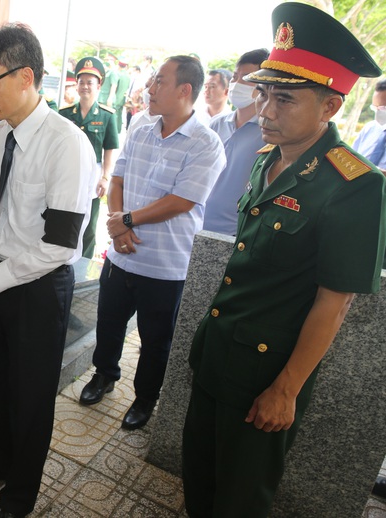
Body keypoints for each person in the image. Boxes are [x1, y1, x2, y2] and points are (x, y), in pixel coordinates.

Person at [181, 4, 385, 517]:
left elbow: (333, 303)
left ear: (331, 107)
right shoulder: (267, 158)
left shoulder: (354, 186)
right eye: (265, 93)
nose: (266, 110)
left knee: (239, 499)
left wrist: (285, 389)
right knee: (199, 479)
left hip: (266, 375)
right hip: (218, 352)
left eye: (284, 99)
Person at [0, 24, 96, 518]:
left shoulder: (67, 145)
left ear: (26, 77)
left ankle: (20, 497)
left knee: (31, 396)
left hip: (37, 287)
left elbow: (60, 246)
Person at [78, 56, 225, 432]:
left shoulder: (206, 144)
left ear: (184, 90)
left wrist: (125, 220)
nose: (150, 88)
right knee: (108, 322)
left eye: (159, 81)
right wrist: (118, 225)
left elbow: (182, 201)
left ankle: (145, 398)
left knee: (155, 340)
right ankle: (104, 375)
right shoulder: (141, 127)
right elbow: (118, 180)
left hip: (165, 265)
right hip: (122, 255)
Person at [203, 49, 269, 236]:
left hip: (234, 231)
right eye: (234, 77)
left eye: (247, 78)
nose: (237, 84)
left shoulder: (267, 134)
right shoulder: (217, 123)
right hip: (197, 221)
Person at [59, 57, 119, 259]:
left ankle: (83, 262)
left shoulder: (107, 115)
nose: (85, 86)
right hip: (66, 174)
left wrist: (105, 177)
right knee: (63, 217)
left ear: (99, 85)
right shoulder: (64, 114)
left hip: (92, 176)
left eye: (90, 82)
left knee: (89, 225)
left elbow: (110, 148)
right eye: (81, 82)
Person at [352, 78, 386, 172]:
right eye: (375, 108)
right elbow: (350, 159)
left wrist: (376, 176)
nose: (378, 113)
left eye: (383, 108)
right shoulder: (369, 129)